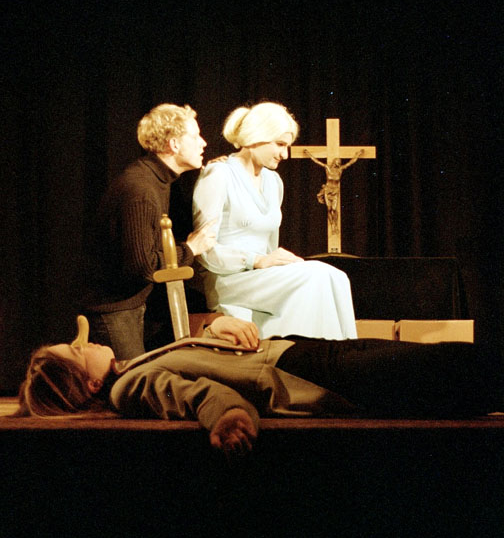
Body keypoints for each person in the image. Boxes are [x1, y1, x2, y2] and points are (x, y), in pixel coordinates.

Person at [18, 315, 502, 456]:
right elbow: (200, 395)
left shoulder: (133, 368)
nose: (82, 343)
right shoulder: (130, 387)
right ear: (88, 382)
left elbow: (198, 364)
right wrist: (230, 419)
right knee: (452, 370)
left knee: (444, 366)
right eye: (75, 350)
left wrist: (216, 327)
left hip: (304, 356)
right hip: (311, 376)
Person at [192, 101, 357, 340]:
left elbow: (270, 248)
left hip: (261, 278)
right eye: (280, 144)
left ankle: (339, 353)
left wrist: (274, 263)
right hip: (228, 280)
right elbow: (205, 251)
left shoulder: (274, 182)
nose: (285, 154)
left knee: (337, 277)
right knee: (316, 277)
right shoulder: (218, 175)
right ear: (255, 137)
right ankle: (310, 352)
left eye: (287, 146)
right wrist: (256, 260)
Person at [83, 103, 216, 360]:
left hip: (129, 304)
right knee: (132, 379)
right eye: (195, 136)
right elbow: (143, 267)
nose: (204, 143)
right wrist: (191, 249)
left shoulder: (154, 180)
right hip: (113, 308)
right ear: (174, 144)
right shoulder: (141, 189)